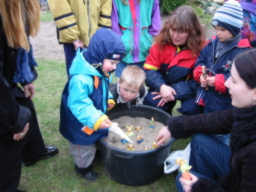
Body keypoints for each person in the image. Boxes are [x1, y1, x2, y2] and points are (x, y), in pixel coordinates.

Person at [155, 49, 256, 192]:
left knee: (181, 181)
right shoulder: (248, 110)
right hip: (236, 171)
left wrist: (201, 187)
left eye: (234, 80)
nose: (226, 84)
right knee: (200, 141)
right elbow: (216, 120)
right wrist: (174, 127)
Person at [0, 0, 58, 191]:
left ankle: (34, 152)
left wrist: (26, 80)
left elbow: (21, 47)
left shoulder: (18, 10)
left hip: (8, 76)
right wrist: (13, 120)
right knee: (11, 132)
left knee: (26, 108)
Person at [59, 28, 126, 181]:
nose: (115, 67)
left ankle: (94, 151)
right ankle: (83, 168)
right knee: (82, 145)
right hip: (79, 121)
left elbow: (103, 87)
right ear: (99, 57)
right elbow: (80, 105)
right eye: (112, 62)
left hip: (93, 116)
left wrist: (108, 98)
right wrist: (97, 119)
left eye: (117, 63)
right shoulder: (81, 79)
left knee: (94, 135)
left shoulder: (99, 69)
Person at [193, 0, 251, 144]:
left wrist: (217, 81)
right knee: (207, 124)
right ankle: (204, 144)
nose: (217, 32)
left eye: (222, 30)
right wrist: (200, 74)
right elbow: (200, 61)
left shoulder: (243, 52)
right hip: (207, 98)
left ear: (235, 29)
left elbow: (241, 80)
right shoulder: (212, 43)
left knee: (221, 131)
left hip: (225, 103)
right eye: (216, 28)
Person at [143, 5, 205, 115]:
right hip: (163, 85)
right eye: (173, 30)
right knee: (152, 101)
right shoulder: (160, 43)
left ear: (192, 32)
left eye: (181, 32)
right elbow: (149, 71)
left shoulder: (202, 48)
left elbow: (200, 81)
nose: (175, 36)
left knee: (193, 107)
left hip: (187, 89)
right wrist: (161, 86)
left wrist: (174, 91)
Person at [48, 0, 112, 76]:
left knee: (97, 81)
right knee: (77, 80)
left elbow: (106, 5)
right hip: (74, 43)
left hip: (97, 41)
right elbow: (60, 6)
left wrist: (101, 35)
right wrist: (74, 37)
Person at [112, 0, 161, 77]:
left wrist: (148, 42)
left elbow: (156, 27)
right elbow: (114, 27)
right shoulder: (117, 1)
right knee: (120, 85)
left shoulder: (152, 1)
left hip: (144, 53)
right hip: (123, 56)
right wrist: (122, 43)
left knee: (142, 85)